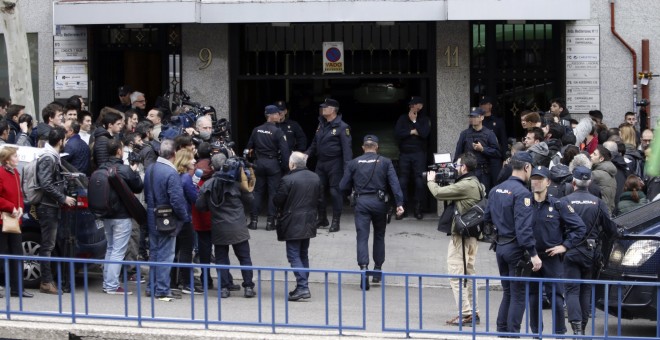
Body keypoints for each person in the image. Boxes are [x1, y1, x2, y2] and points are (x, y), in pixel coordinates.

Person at [484, 151, 541, 335]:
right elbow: (524, 230)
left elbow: (487, 218)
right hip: (515, 249)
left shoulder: (495, 189)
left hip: (500, 246)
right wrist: (533, 254)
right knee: (518, 295)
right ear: (526, 167)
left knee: (508, 292)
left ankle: (502, 332)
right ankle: (513, 334)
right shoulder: (523, 193)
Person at [426, 152, 485, 326]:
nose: (454, 168)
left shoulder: (466, 185)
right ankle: (473, 312)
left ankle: (467, 313)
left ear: (464, 167)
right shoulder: (476, 183)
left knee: (457, 274)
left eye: (457, 165)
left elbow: (438, 193)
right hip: (471, 236)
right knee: (469, 274)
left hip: (462, 238)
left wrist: (431, 179)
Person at [562, 166, 622, 336]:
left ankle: (576, 329)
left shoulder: (565, 201)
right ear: (589, 182)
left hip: (570, 250)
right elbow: (610, 228)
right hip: (590, 251)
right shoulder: (598, 202)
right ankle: (583, 326)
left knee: (572, 289)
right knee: (586, 288)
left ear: (573, 181)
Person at [339, 135, 404, 290]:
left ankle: (363, 269)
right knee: (379, 236)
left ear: (363, 147)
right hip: (379, 202)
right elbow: (394, 184)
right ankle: (377, 270)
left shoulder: (354, 163)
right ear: (377, 147)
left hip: (361, 203)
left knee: (362, 237)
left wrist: (350, 195)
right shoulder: (385, 162)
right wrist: (399, 203)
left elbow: (342, 186)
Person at [527, 165, 585, 336]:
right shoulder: (524, 202)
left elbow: (579, 228)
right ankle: (536, 333)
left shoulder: (559, 204)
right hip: (531, 257)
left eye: (540, 179)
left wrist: (565, 246)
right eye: (533, 179)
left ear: (548, 182)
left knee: (557, 299)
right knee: (533, 298)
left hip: (552, 258)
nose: (536, 182)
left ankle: (559, 333)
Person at [196, 154, 257, 299]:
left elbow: (200, 206)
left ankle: (224, 288)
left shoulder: (208, 184)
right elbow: (251, 201)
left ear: (213, 167)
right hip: (238, 227)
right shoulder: (236, 183)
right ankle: (248, 287)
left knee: (221, 258)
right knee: (244, 257)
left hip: (218, 227)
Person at [144, 139, 191, 300]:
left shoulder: (150, 168)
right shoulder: (171, 172)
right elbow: (177, 200)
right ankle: (162, 289)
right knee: (165, 255)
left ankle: (152, 286)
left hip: (152, 214)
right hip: (166, 218)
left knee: (155, 253)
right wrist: (185, 217)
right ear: (174, 153)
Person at [273, 151, 322, 301]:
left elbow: (278, 201)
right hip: (309, 220)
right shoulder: (315, 177)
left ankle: (302, 287)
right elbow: (319, 199)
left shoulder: (287, 179)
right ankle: (303, 284)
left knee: (294, 255)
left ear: (292, 164)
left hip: (292, 221)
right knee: (303, 254)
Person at [98, 139, 143, 295]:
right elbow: (138, 186)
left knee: (110, 248)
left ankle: (107, 282)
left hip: (106, 214)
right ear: (118, 151)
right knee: (118, 250)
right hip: (122, 215)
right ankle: (111, 285)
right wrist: (134, 171)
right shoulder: (123, 169)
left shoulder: (101, 168)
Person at [36, 126, 77, 294]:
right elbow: (45, 183)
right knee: (47, 245)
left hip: (51, 206)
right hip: (47, 207)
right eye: (65, 139)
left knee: (50, 244)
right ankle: (46, 282)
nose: (66, 142)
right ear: (60, 141)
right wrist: (63, 198)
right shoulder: (48, 158)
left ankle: (49, 280)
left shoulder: (53, 157)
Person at [306, 98, 352, 232]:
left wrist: (347, 170)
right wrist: (305, 155)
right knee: (318, 190)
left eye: (325, 107)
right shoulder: (321, 124)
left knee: (335, 192)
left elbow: (347, 150)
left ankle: (336, 221)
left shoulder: (343, 127)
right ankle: (322, 218)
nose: (322, 109)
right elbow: (314, 144)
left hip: (335, 163)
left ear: (333, 110)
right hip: (321, 163)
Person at [245, 105, 291, 231]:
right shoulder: (278, 131)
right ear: (270, 115)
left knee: (257, 192)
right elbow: (285, 152)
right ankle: (270, 223)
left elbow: (248, 147)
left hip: (259, 163)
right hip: (273, 164)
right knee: (273, 193)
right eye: (277, 113)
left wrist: (249, 162)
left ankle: (253, 221)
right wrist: (285, 168)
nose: (280, 115)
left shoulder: (256, 130)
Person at [0, 145, 32, 298]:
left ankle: (17, 287)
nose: (17, 159)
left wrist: (20, 207)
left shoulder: (16, 173)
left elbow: (19, 193)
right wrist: (11, 207)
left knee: (17, 253)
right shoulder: (0, 173)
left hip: (14, 219)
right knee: (2, 254)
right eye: (15, 157)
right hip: (2, 220)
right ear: (7, 159)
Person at [394, 96, 431, 220]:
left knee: (419, 181)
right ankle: (402, 207)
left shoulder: (424, 119)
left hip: (418, 153)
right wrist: (411, 132)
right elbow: (398, 134)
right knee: (402, 181)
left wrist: (415, 122)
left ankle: (418, 208)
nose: (412, 106)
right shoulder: (402, 118)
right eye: (410, 105)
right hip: (405, 153)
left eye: (414, 104)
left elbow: (425, 133)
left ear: (420, 106)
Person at [172, 149, 202, 294]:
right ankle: (187, 283)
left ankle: (173, 282)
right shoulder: (186, 179)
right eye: (191, 159)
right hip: (185, 219)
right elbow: (195, 198)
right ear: (184, 161)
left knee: (175, 251)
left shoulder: (175, 176)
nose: (195, 161)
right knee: (185, 251)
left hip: (175, 219)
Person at [454, 107, 501, 192]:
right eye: (471, 117)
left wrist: (483, 149)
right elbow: (458, 153)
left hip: (483, 172)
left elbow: (497, 153)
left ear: (482, 118)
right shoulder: (464, 134)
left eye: (475, 117)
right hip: (468, 172)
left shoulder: (489, 134)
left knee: (483, 198)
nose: (473, 119)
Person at [590, 146, 617, 215]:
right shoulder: (608, 173)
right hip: (606, 212)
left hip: (600, 213)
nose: (591, 155)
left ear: (601, 159)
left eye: (594, 154)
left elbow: (583, 176)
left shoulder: (598, 174)